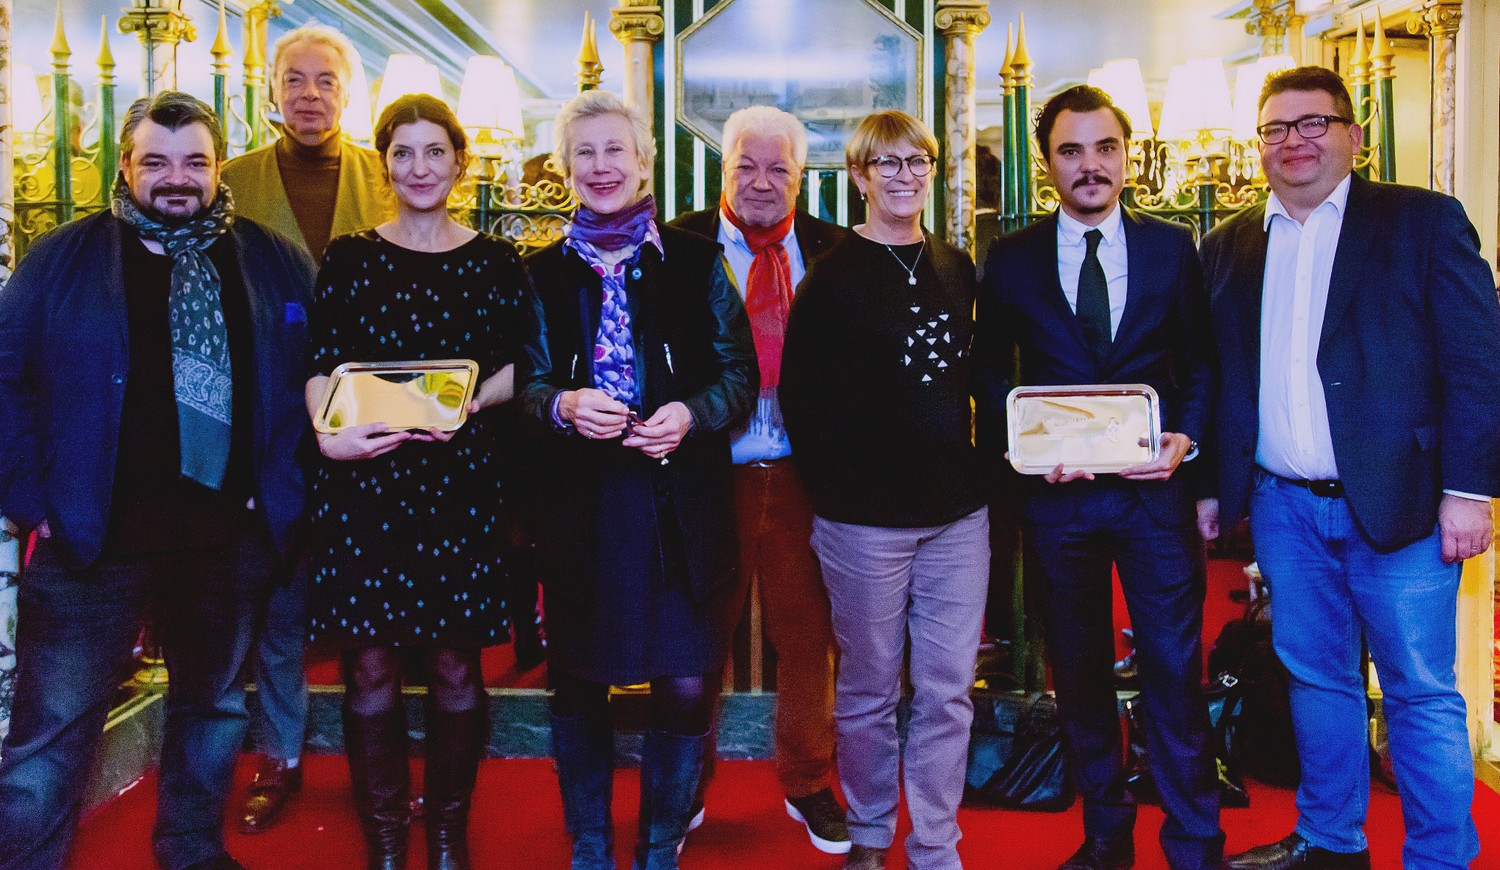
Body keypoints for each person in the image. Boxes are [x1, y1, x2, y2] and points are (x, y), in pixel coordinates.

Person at [0, 91, 314, 870]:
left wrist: (277, 495)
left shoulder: (274, 258)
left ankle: (190, 852)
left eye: (195, 162)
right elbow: (3, 376)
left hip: (226, 542)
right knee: (51, 732)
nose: (178, 179)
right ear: (127, 166)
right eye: (157, 162)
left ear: (217, 167)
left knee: (210, 713)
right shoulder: (62, 259)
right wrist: (31, 499)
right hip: (90, 541)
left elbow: (316, 384)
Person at [1200, 66, 1500, 870]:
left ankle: (1441, 857)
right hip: (1284, 508)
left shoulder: (1423, 222)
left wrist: (1471, 493)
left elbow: (1479, 364)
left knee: (1420, 692)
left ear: (1354, 135)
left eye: (1313, 123)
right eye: (1275, 129)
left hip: (1405, 507)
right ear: (1258, 144)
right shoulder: (1230, 242)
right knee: (1315, 680)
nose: (1293, 142)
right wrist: (1212, 487)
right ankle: (1332, 841)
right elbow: (1218, 374)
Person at [971, 85, 1221, 870]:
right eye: (1071, 151)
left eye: (1104, 148)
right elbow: (986, 374)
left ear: (1126, 155)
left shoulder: (1174, 247)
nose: (1090, 166)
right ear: (1047, 164)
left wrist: (1188, 437)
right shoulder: (1008, 258)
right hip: (1058, 503)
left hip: (1155, 495)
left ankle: (1194, 844)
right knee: (1077, 677)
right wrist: (1023, 449)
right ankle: (1107, 838)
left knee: (1176, 675)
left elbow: (1203, 364)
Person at [518, 89, 756, 870]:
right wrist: (561, 405)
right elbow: (523, 387)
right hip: (584, 510)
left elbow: (740, 377)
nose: (600, 166)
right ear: (565, 169)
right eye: (583, 153)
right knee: (581, 687)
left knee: (686, 688)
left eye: (614, 150)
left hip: (680, 507)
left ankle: (660, 851)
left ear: (644, 161)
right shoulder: (538, 274)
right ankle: (590, 848)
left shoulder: (694, 260)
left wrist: (690, 414)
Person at [303, 93, 526, 870]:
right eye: (404, 152)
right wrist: (332, 433)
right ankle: (388, 838)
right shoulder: (351, 256)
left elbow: (518, 368)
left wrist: (465, 404)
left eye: (436, 151)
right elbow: (320, 366)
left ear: (459, 163)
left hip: (459, 482)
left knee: (456, 663)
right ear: (385, 163)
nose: (420, 167)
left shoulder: (497, 261)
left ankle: (446, 833)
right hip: (368, 485)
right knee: (367, 663)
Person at [780, 110, 989, 870]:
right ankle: (870, 832)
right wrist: (842, 496)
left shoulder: (956, 266)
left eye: (919, 163)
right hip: (863, 522)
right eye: (888, 164)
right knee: (869, 690)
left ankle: (935, 842)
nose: (906, 177)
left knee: (947, 691)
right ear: (861, 177)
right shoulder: (831, 276)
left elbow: (974, 381)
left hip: (957, 518)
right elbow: (800, 401)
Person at [220, 23, 395, 835]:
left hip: (377, 420)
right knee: (278, 601)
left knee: (380, 601)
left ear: (348, 93)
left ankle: (387, 768)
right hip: (268, 422)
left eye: (326, 80)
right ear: (271, 90)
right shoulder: (230, 181)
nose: (310, 93)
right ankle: (282, 753)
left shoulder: (389, 173)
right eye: (295, 78)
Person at [669, 104, 850, 855]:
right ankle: (683, 786)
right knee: (693, 641)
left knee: (811, 639)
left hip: (806, 476)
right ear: (723, 167)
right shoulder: (675, 246)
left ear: (803, 177)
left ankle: (808, 780)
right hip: (708, 474)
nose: (761, 182)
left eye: (779, 168)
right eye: (746, 164)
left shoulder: (836, 252)